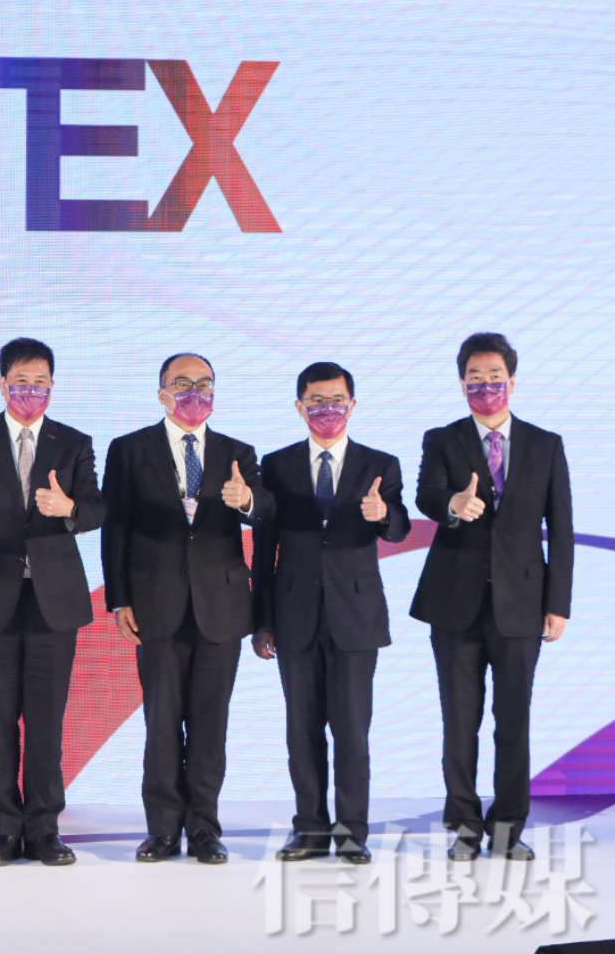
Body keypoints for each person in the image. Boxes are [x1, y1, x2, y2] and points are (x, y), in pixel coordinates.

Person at [0, 338, 107, 868]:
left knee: (46, 722)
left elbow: (99, 509)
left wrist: (69, 507)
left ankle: (44, 829)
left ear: (52, 386)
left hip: (53, 603)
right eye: (21, 381)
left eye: (40, 382)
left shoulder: (74, 442)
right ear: (1, 384)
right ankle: (3, 831)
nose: (31, 390)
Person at [102, 353, 272, 865]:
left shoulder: (237, 452)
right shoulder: (130, 449)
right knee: (161, 721)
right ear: (162, 394)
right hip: (155, 604)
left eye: (204, 384)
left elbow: (265, 512)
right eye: (182, 384)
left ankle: (204, 829)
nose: (194, 392)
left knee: (209, 724)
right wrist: (118, 598)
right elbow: (115, 529)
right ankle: (161, 831)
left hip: (221, 605)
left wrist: (246, 500)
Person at [412, 333, 572, 861]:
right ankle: (464, 827)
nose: (485, 386)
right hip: (454, 603)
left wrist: (558, 603)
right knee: (459, 723)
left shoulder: (546, 444)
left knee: (513, 722)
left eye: (494, 377)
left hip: (522, 604)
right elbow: (427, 495)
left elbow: (561, 528)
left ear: (512, 381)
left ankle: (507, 828)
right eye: (475, 378)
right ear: (462, 385)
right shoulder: (443, 439)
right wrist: (453, 504)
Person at [252, 362, 410, 866]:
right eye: (316, 401)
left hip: (355, 616)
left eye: (336, 400)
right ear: (300, 407)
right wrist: (262, 619)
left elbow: (400, 528)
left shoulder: (379, 463)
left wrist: (382, 514)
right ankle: (309, 830)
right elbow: (264, 547)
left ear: (352, 405)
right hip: (293, 615)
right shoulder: (276, 465)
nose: (327, 409)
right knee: (301, 731)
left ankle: (351, 833)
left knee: (352, 731)